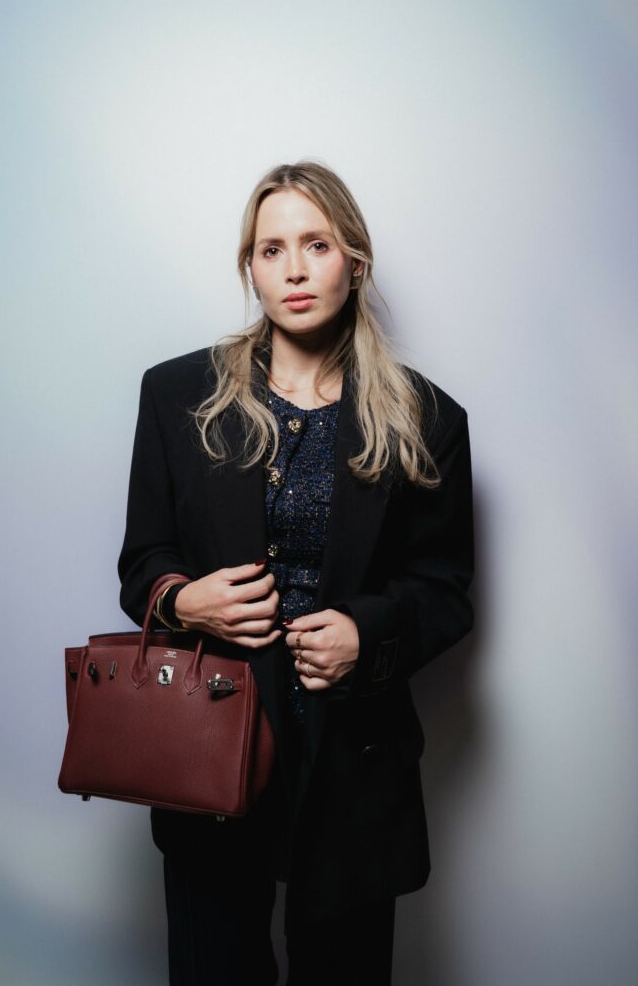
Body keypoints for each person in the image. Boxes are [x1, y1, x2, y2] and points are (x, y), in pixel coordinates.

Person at [117, 159, 475, 986]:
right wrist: (185, 602)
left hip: (353, 750)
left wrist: (365, 634)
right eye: (271, 249)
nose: (294, 269)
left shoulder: (427, 418)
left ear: (355, 261)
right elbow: (143, 562)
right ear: (250, 267)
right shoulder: (175, 394)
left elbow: (445, 590)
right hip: (210, 736)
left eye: (316, 244)